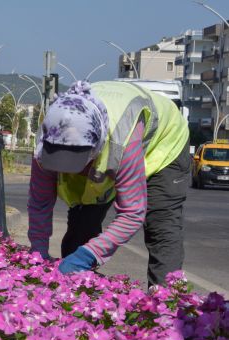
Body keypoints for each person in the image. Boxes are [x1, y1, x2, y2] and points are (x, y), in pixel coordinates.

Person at [28, 80, 190, 287]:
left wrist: (86, 256)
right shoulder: (48, 138)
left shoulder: (121, 140)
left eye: (78, 160)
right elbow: (40, 203)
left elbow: (132, 213)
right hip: (112, 141)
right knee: (82, 220)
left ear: (98, 144)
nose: (72, 170)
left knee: (161, 224)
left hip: (164, 144)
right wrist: (38, 253)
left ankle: (166, 305)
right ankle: (73, 293)